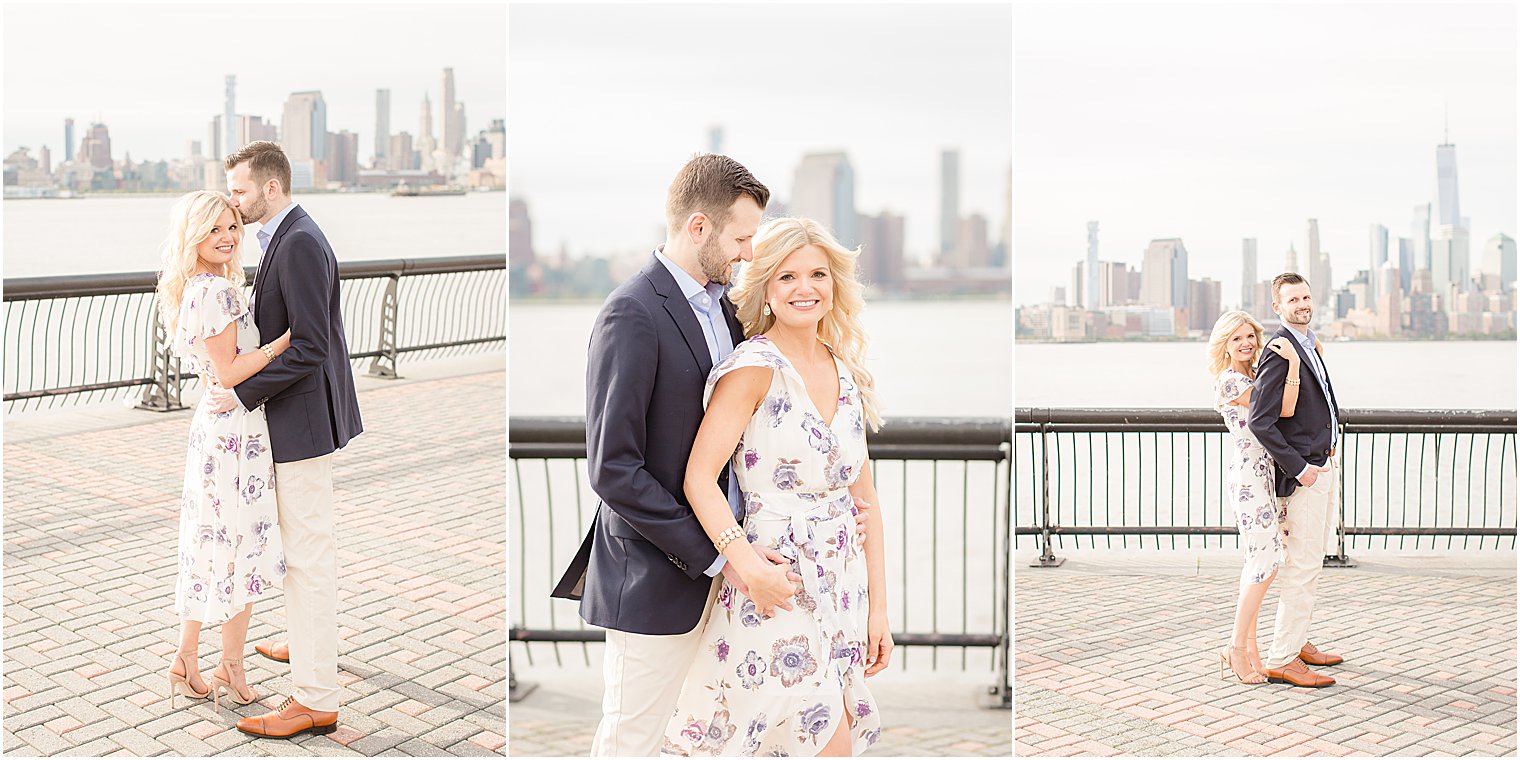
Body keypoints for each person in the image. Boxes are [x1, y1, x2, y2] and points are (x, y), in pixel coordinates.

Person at [550, 156, 869, 757]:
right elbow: (613, 469)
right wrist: (725, 559)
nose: (750, 252)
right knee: (632, 740)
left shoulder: (726, 312)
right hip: (659, 577)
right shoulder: (632, 313)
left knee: (708, 738)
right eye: (743, 237)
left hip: (745, 582)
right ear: (699, 227)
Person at [662, 217, 892, 757]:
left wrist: (878, 611)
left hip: (842, 585)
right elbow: (699, 478)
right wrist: (743, 562)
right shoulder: (754, 368)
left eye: (817, 274)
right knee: (818, 741)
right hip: (776, 581)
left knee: (814, 743)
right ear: (765, 287)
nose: (804, 288)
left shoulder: (846, 372)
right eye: (787, 277)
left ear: (834, 284)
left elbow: (868, 502)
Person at [209, 141, 364, 736]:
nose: (234, 200)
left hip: (300, 422)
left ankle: (314, 697)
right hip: (300, 417)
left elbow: (311, 344)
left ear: (270, 188)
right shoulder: (289, 235)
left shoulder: (297, 242)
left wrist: (243, 392)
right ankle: (309, 651)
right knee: (305, 553)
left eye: (241, 190)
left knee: (307, 558)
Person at [156, 191, 291, 710]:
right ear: (195, 237)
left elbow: (219, 371)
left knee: (210, 546)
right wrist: (281, 344)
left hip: (215, 430)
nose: (228, 237)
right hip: (235, 433)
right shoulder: (219, 292)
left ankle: (186, 658)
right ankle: (228, 666)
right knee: (243, 549)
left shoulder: (197, 287)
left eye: (232, 226)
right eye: (214, 230)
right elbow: (231, 373)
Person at [1248, 273, 1344, 688]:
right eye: (1293, 299)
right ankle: (1282, 657)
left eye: (1306, 295)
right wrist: (1299, 467)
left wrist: (1332, 436)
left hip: (1323, 465)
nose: (1302, 303)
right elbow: (1260, 422)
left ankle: (1298, 639)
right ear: (1278, 307)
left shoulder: (1308, 344)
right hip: (1305, 474)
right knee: (1302, 564)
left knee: (1312, 560)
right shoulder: (1278, 350)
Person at [1207, 309, 1300, 684]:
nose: (1245, 343)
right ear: (1225, 346)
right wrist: (1292, 364)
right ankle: (1235, 647)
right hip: (1248, 478)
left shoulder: (1253, 375)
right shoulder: (1230, 383)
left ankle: (1250, 647)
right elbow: (1284, 409)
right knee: (1265, 560)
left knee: (1260, 561)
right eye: (1236, 339)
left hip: (1265, 474)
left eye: (1249, 336)